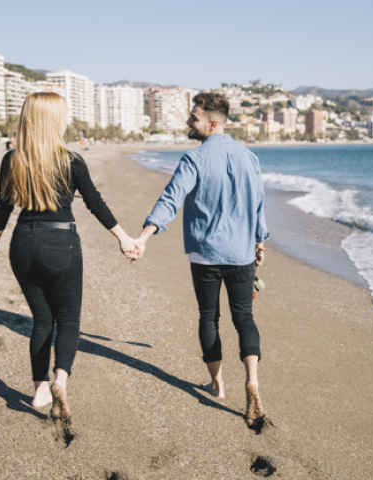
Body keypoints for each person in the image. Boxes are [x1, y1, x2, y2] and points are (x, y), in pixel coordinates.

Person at [0, 92, 136, 419]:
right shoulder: (72, 160)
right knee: (67, 319)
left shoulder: (12, 159)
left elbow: (3, 207)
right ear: (55, 120)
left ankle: (39, 391)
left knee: (41, 320)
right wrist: (123, 238)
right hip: (61, 243)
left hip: (23, 243)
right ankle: (60, 382)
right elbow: (95, 203)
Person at [131, 92, 269, 428]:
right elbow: (257, 203)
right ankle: (252, 379)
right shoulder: (249, 158)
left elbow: (171, 199)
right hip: (240, 253)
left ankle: (217, 385)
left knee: (209, 317)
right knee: (244, 319)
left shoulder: (194, 160)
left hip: (204, 254)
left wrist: (144, 237)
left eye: (193, 118)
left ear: (212, 122)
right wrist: (259, 242)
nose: (188, 123)